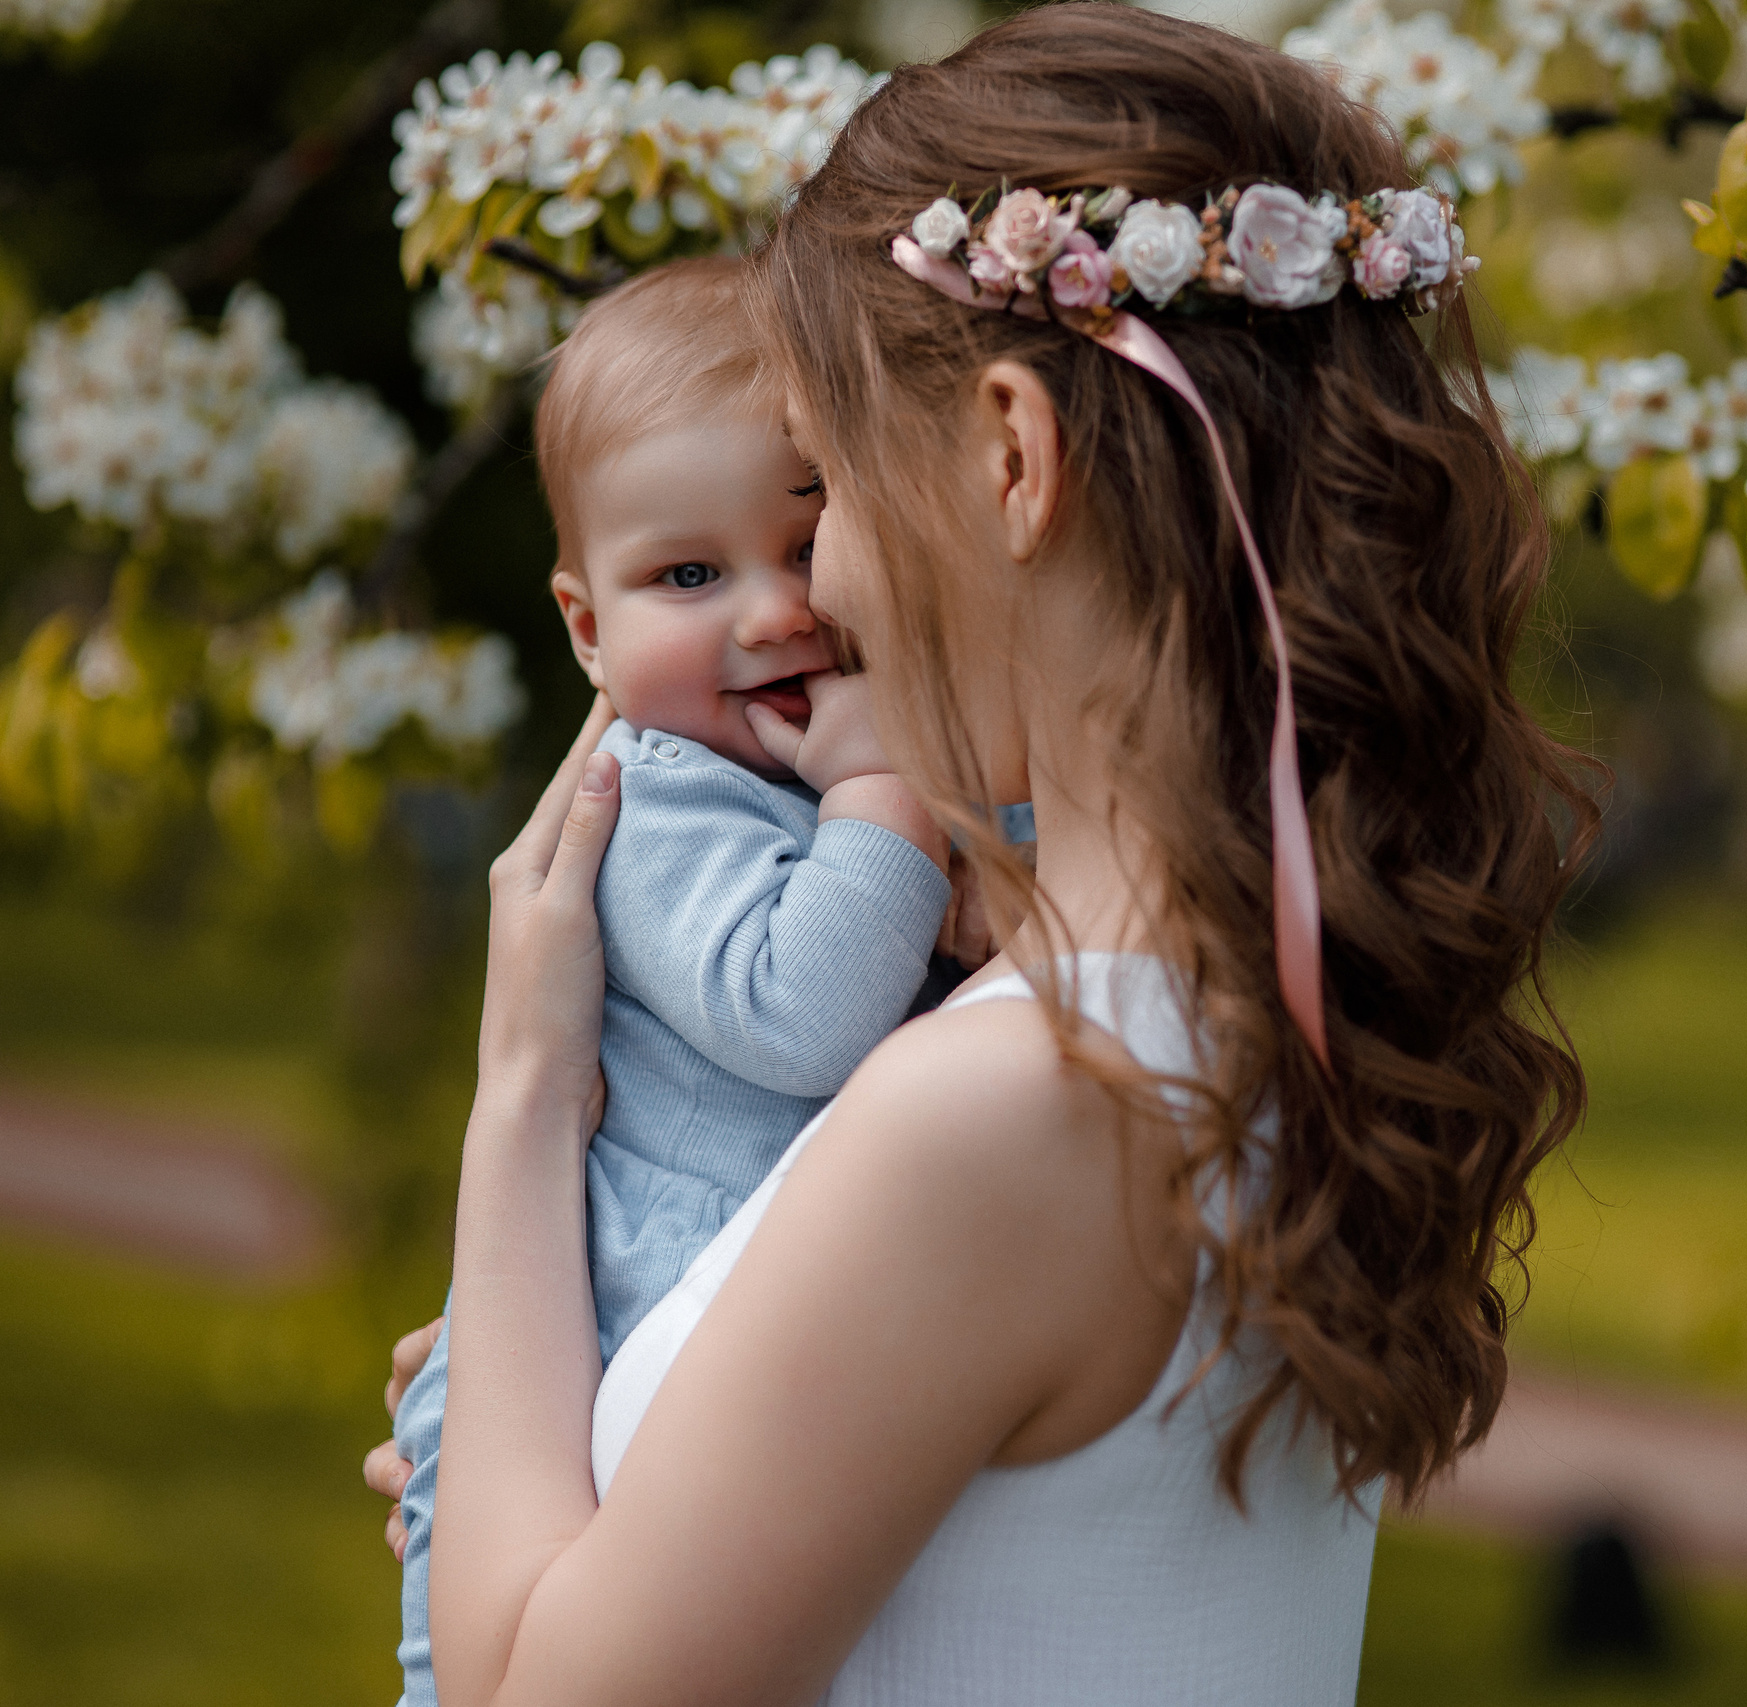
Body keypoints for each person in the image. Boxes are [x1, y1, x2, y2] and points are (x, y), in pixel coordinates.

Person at [365, 8, 1597, 1701]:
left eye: (829, 493)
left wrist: (524, 1091)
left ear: (1013, 460)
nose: (820, 592)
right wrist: (550, 1433)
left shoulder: (1010, 1104)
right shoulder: (1263, 999)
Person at [385, 258, 975, 1707]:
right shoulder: (654, 808)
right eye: (690, 577)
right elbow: (800, 1012)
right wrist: (889, 790)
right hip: (589, 1355)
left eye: (808, 534)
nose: (773, 613)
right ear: (588, 629)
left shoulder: (824, 757)